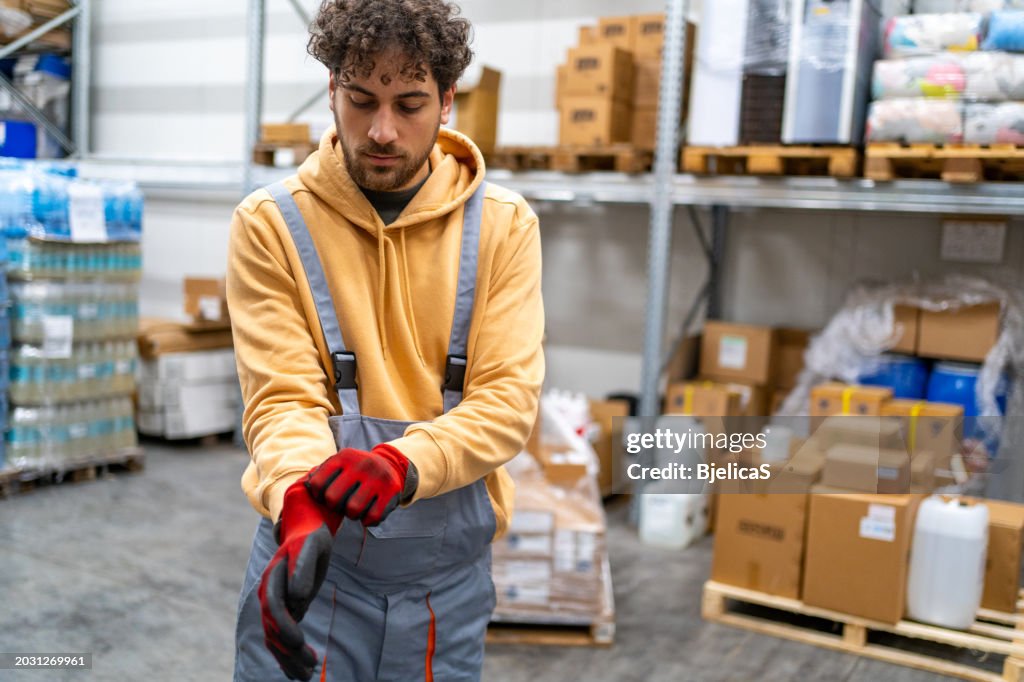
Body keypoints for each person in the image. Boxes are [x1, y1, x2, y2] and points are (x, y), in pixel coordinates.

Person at [226, 0, 544, 680]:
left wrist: (404, 463)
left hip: (445, 593)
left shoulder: (504, 227)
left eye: (410, 104)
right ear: (332, 89)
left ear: (448, 101)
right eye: (361, 99)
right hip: (311, 568)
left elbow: (507, 402)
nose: (382, 131)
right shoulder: (270, 224)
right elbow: (280, 398)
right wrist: (299, 501)